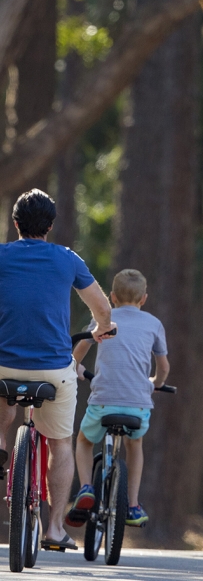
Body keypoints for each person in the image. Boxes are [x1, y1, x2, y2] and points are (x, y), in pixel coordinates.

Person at [0, 189, 115, 551]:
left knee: (2, 413)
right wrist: (100, 330)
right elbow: (103, 309)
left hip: (4, 363)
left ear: (15, 223)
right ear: (50, 226)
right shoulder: (68, 259)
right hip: (54, 370)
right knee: (60, 442)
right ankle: (54, 529)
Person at [66, 268, 169, 527]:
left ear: (111, 297)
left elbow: (78, 352)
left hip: (102, 401)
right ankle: (133, 505)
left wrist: (75, 368)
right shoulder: (154, 324)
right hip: (138, 404)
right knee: (135, 446)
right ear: (144, 298)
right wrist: (156, 384)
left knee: (84, 441)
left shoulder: (103, 318)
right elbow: (163, 367)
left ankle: (86, 487)